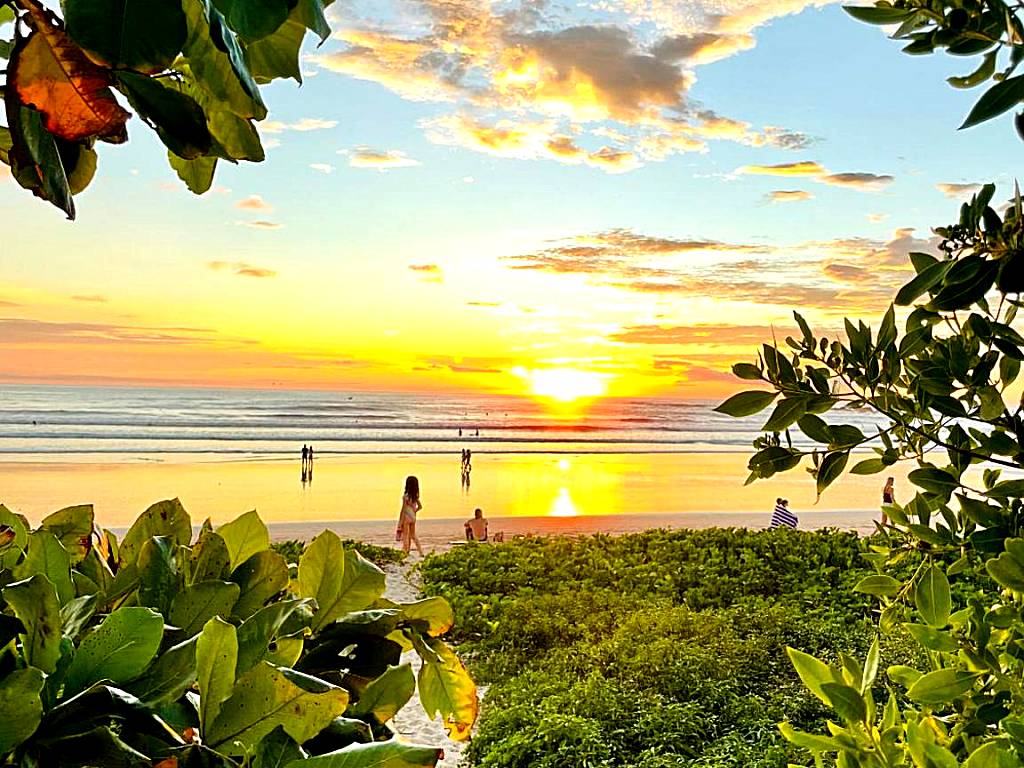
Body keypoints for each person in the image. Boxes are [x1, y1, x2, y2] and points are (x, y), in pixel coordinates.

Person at [397, 475, 424, 556]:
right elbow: (420, 507)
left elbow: (403, 509)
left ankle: (405, 551)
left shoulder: (406, 497)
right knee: (413, 535)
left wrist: (400, 522)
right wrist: (414, 511)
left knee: (406, 535)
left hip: (406, 517)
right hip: (413, 517)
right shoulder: (415, 497)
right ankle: (420, 552)